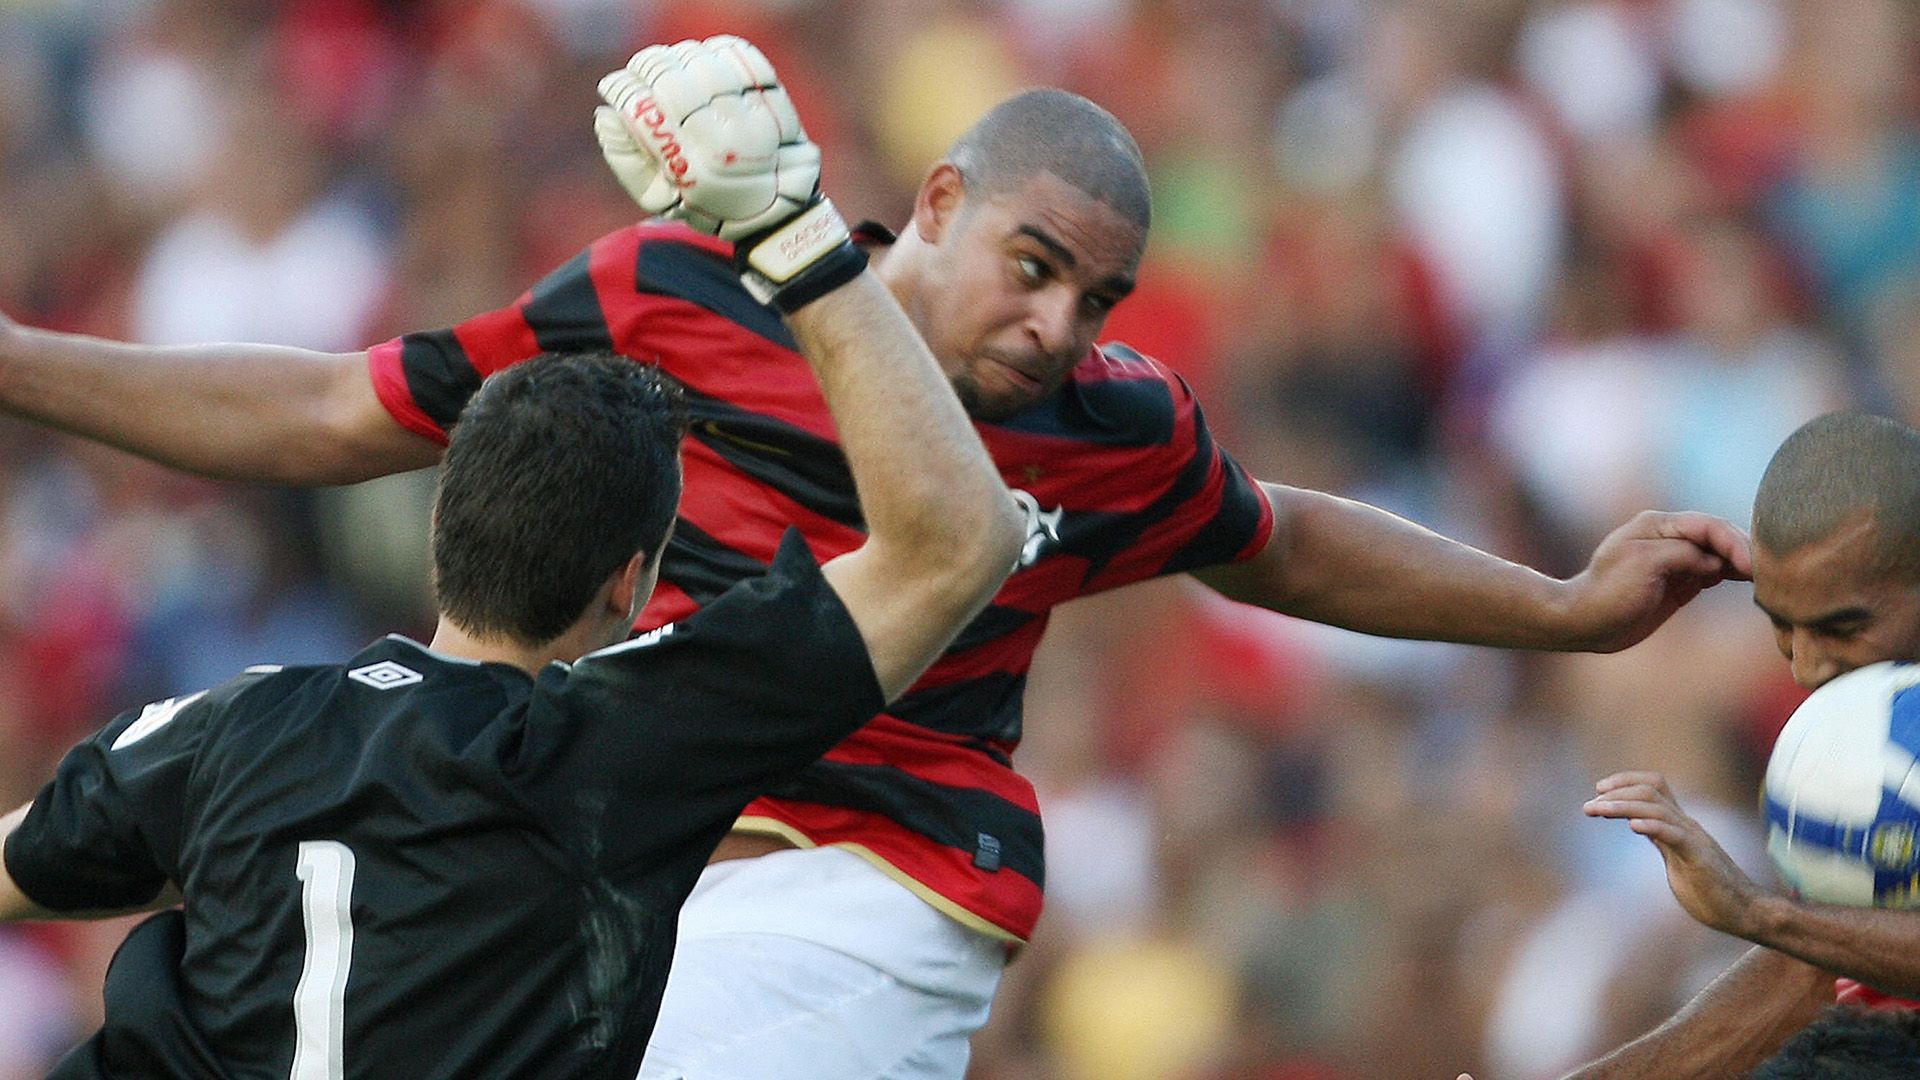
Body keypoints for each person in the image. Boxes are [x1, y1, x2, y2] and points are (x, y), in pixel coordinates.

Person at [0, 39, 1751, 1078]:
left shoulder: (1117, 422)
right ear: (930, 205)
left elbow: (1280, 545)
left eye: (1102, 298)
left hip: (883, 882)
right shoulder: (672, 293)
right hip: (609, 868)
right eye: (1034, 264)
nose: (1063, 324)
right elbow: (331, 411)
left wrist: (1560, 615)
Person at [0, 39, 1026, 1080]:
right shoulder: (619, 757)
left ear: (444, 525)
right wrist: (798, 235)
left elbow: (16, 863)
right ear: (630, 585)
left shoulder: (232, 727)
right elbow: (962, 542)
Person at [1481, 411, 1920, 1080]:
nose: (1805, 667)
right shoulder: (1862, 723)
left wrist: (1756, 911)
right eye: (1782, 627)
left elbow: (1804, 951)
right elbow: (1806, 974)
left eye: (1843, 627)